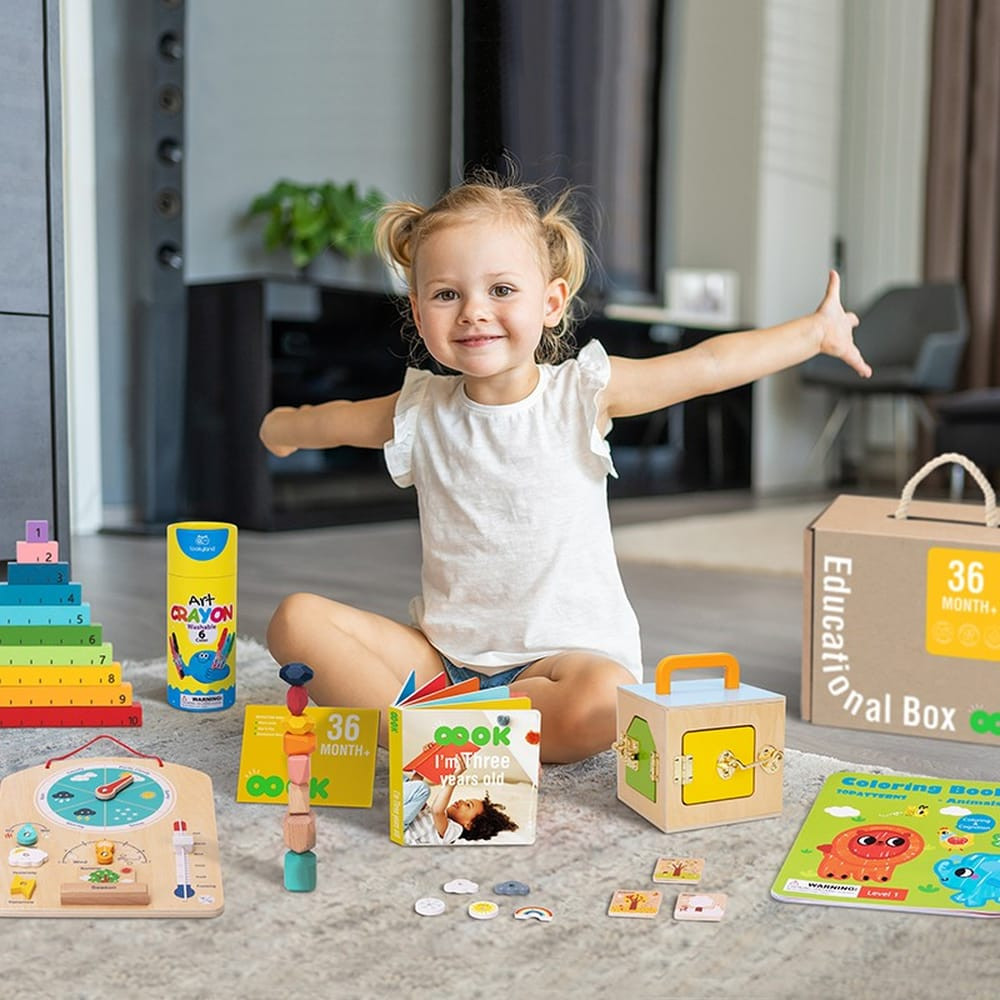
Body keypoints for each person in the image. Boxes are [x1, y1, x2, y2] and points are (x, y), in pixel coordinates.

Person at [260, 175, 870, 764]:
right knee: (295, 621)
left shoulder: (581, 394)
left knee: (607, 699)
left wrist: (814, 334)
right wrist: (280, 429)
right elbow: (332, 421)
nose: (473, 311)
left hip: (558, 667)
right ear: (419, 315)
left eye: (501, 290)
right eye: (447, 295)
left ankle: (436, 738)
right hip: (443, 663)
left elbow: (708, 364)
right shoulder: (419, 410)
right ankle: (448, 739)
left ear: (551, 303)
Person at [402, 750, 518, 845]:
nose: (461, 801)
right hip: (400, 813)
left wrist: (455, 776)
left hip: (401, 828)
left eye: (468, 805)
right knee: (406, 781)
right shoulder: (430, 815)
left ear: (469, 825)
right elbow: (413, 788)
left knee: (423, 789)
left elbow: (437, 810)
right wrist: (427, 758)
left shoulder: (453, 831)